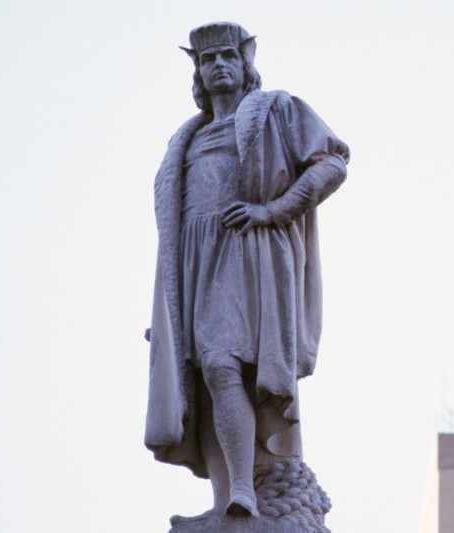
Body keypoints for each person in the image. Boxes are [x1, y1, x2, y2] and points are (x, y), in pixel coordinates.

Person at [145, 21, 349, 521]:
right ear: (197, 73)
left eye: (227, 58)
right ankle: (227, 505)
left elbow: (332, 162)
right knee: (201, 379)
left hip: (248, 252)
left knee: (220, 363)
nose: (217, 67)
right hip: (195, 263)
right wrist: (171, 311)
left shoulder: (276, 109)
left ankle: (243, 489)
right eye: (207, 61)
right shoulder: (185, 138)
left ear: (244, 65)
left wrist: (273, 210)